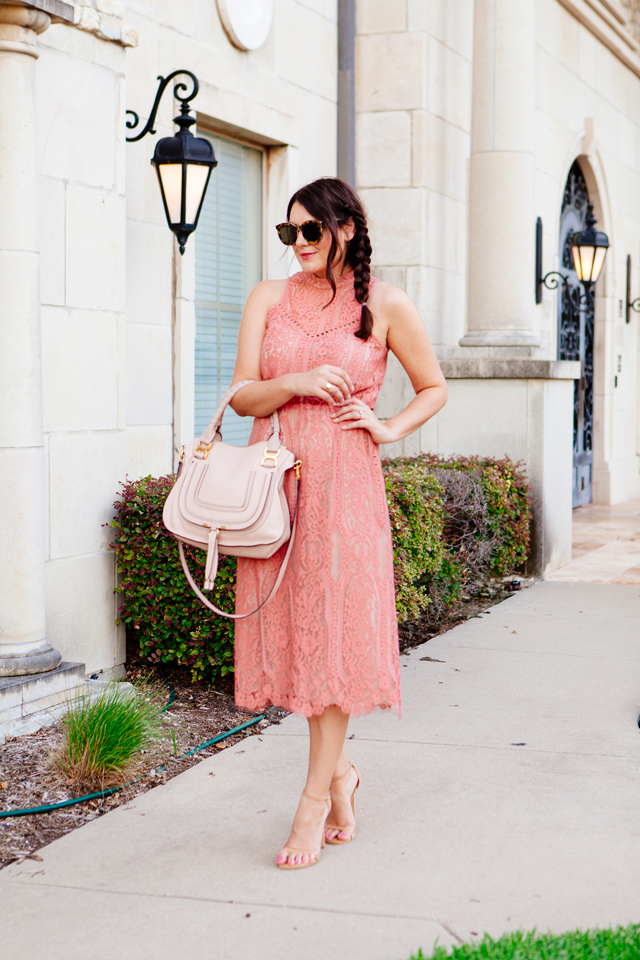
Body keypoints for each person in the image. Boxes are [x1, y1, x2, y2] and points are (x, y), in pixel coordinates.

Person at [229, 177, 447, 869]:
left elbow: (434, 386)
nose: (297, 246)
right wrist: (293, 384)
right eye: (287, 234)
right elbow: (239, 396)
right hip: (276, 485)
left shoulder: (385, 303)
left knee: (333, 640)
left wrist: (386, 428)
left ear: (347, 228)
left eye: (310, 232)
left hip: (347, 488)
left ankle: (312, 801)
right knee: (298, 641)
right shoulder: (267, 297)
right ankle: (343, 775)